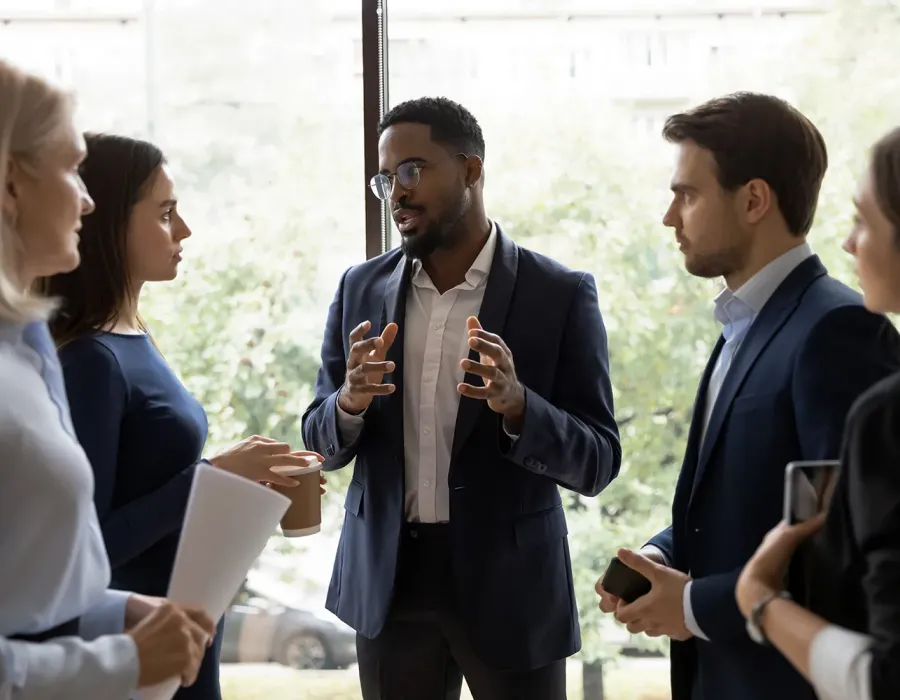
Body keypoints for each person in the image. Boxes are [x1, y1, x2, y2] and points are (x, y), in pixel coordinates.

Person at [302, 96, 621, 700]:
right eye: (384, 178)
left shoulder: (559, 295)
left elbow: (599, 459)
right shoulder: (360, 288)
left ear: (471, 170)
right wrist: (348, 402)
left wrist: (519, 405)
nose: (396, 191)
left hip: (512, 592)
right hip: (388, 588)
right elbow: (319, 439)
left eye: (413, 170)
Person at [594, 92, 900, 700]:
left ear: (754, 199)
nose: (669, 216)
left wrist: (692, 604)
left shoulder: (838, 330)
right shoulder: (740, 327)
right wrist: (660, 555)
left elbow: (838, 543)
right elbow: (743, 507)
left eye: (687, 194)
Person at [37, 133, 324, 700]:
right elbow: (88, 550)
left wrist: (233, 494)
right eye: (166, 213)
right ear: (110, 222)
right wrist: (212, 477)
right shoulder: (92, 361)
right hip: (139, 648)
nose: (184, 230)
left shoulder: (135, 336)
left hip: (184, 627)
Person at [0, 57, 214, 697]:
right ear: (10, 185)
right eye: (70, 167)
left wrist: (110, 612)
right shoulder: (83, 358)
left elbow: (27, 593)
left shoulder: (28, 342)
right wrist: (117, 660)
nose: (86, 199)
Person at [736, 126, 900, 700]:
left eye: (863, 219)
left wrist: (758, 598)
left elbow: (885, 676)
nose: (851, 244)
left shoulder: (882, 407)